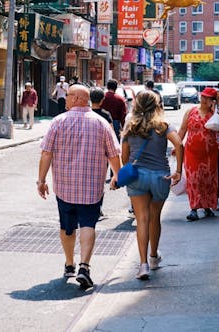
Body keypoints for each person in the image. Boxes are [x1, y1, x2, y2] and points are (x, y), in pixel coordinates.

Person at [37, 84, 121, 290]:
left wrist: (41, 180)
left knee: (67, 227)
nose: (64, 99)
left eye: (67, 96)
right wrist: (118, 176)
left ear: (76, 99)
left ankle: (69, 264)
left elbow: (46, 153)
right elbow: (113, 154)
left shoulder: (58, 122)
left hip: (65, 187)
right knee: (88, 225)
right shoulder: (102, 124)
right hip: (91, 188)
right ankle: (84, 266)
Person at [117, 90, 184, 280]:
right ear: (157, 105)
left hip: (138, 176)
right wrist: (178, 170)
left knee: (142, 219)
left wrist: (129, 170)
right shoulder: (163, 126)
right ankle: (154, 257)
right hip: (160, 177)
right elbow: (179, 144)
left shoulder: (130, 127)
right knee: (155, 218)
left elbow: (124, 157)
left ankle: (143, 264)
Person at [178, 86, 219, 222]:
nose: (204, 100)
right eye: (203, 96)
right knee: (194, 178)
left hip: (210, 153)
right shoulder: (191, 111)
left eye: (208, 98)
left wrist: (216, 112)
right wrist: (177, 145)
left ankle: (207, 206)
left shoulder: (217, 114)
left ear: (213, 100)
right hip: (191, 152)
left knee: (207, 180)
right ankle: (194, 208)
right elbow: (183, 128)